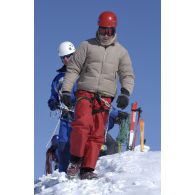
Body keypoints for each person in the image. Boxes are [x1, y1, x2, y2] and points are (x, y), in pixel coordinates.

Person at [61, 11, 135, 180]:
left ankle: (87, 168)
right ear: (98, 28)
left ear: (114, 30)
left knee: (97, 134)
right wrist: (66, 90)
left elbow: (127, 75)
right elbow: (73, 69)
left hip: (105, 97)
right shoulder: (86, 45)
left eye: (109, 31)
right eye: (103, 30)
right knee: (82, 125)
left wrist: (125, 92)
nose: (106, 35)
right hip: (85, 92)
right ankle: (75, 160)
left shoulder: (121, 52)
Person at [47, 41, 76, 172]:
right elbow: (53, 95)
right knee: (63, 145)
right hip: (66, 117)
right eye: (62, 57)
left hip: (81, 115)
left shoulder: (83, 74)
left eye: (68, 56)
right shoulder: (58, 78)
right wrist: (52, 102)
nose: (65, 59)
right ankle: (64, 176)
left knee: (81, 142)